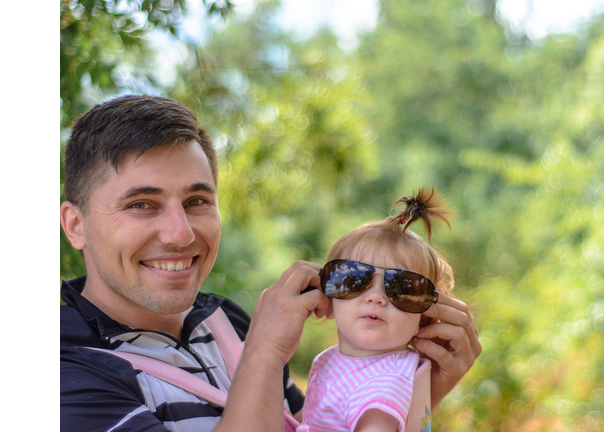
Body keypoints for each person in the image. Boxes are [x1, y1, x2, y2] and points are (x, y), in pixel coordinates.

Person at [59, 95, 482, 432]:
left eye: (197, 201)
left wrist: (417, 386)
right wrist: (263, 352)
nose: (181, 232)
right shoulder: (58, 368)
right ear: (75, 225)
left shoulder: (227, 322)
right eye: (142, 204)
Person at [298, 187, 457, 432]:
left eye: (402, 289)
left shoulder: (383, 382)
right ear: (327, 298)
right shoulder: (341, 361)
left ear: (425, 316)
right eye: (353, 279)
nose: (376, 297)